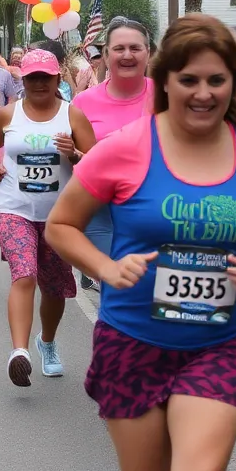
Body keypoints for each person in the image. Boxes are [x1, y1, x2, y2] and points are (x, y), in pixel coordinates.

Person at [46, 15, 236, 471]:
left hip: (220, 346)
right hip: (132, 343)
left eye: (216, 80)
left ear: (232, 83)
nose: (203, 93)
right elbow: (61, 225)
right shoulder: (125, 147)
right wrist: (105, 268)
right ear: (163, 82)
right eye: (189, 80)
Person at [0, 49, 95, 385]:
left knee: (55, 289)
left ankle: (46, 342)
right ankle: (19, 352)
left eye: (46, 77)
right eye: (32, 78)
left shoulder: (72, 116)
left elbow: (96, 161)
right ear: (23, 81)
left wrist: (74, 153)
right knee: (24, 272)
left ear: (57, 79)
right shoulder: (8, 115)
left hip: (60, 216)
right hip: (14, 208)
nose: (39, 83)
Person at [71, 17, 154, 285]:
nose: (127, 55)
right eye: (119, 49)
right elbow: (76, 156)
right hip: (101, 211)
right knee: (117, 285)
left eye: (135, 48)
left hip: (156, 210)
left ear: (148, 52)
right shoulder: (83, 102)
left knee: (151, 289)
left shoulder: (169, 96)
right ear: (106, 54)